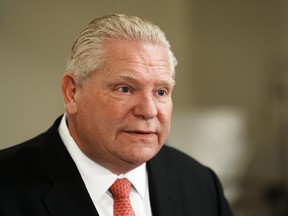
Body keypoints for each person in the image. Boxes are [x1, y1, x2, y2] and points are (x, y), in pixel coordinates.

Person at [0, 14, 233, 215]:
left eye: (161, 91)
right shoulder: (6, 186)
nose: (149, 110)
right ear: (72, 93)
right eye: (125, 89)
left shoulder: (200, 183)